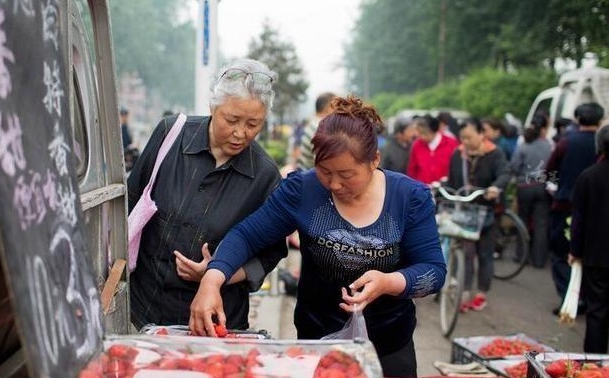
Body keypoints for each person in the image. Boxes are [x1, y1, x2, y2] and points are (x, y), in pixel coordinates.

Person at [189, 96, 446, 377]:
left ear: (374, 160)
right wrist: (213, 278)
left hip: (387, 345)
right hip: (316, 342)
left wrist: (388, 282)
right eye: (325, 172)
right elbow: (248, 235)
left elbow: (433, 271)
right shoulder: (303, 190)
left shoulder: (409, 198)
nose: (334, 184)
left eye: (347, 174)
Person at [126, 58, 288, 330]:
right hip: (144, 308)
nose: (240, 133)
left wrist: (219, 273)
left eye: (253, 124)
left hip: (214, 321)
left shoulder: (264, 176)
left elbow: (270, 253)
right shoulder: (171, 136)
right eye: (232, 119)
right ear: (213, 106)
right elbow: (130, 202)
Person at [446, 117, 511, 312]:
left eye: (469, 137)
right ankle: (463, 293)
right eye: (462, 138)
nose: (465, 142)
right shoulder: (458, 155)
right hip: (464, 211)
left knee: (485, 254)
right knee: (465, 252)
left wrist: (495, 187)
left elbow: (505, 173)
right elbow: (452, 180)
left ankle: (481, 293)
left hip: (487, 211)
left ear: (482, 134)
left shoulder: (494, 153)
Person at [546, 102, 605, 315]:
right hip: (597, 211)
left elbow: (549, 172)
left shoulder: (565, 143)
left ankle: (568, 299)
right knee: (591, 255)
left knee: (561, 253)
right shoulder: (602, 143)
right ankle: (591, 300)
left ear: (578, 119)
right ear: (600, 120)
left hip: (565, 206)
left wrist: (559, 183)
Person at [569, 124, 609, 353]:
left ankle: (595, 362)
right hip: (597, 254)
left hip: (597, 255)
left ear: (600, 146)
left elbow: (579, 219)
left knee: (597, 311)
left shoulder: (589, 176)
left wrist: (575, 251)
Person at [510, 114, 552, 268]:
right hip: (542, 187)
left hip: (524, 188)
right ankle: (539, 260)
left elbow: (514, 166)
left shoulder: (523, 146)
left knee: (523, 221)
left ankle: (521, 256)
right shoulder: (549, 145)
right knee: (541, 224)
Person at [407, 114, 459, 185]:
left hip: (445, 190)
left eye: (424, 133)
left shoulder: (451, 144)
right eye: (419, 133)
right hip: (423, 190)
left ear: (433, 130)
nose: (421, 137)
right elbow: (412, 170)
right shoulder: (417, 145)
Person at [296, 92, 336, 170]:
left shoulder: (312, 122)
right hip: (311, 175)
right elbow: (322, 163)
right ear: (329, 107)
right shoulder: (320, 127)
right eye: (337, 106)